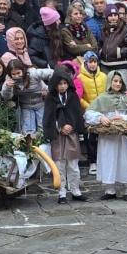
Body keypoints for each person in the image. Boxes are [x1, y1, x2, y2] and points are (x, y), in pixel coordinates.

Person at [85, 72, 127, 200]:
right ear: (110, 82)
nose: (118, 84)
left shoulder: (126, 98)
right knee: (109, 158)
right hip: (108, 136)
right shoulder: (102, 98)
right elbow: (88, 113)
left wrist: (122, 117)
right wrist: (100, 117)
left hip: (122, 136)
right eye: (115, 81)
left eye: (120, 82)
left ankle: (126, 189)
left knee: (124, 159)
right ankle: (110, 189)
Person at [42, 69, 85, 203]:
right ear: (55, 85)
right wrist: (59, 127)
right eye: (59, 83)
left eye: (65, 83)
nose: (62, 86)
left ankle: (75, 190)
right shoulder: (51, 98)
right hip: (58, 136)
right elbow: (48, 117)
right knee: (59, 164)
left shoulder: (72, 97)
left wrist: (71, 125)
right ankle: (62, 192)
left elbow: (77, 114)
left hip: (71, 135)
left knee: (73, 164)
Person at [1, 59, 50, 134]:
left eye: (18, 73)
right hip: (26, 107)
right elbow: (6, 96)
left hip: (40, 103)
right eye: (14, 74)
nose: (16, 76)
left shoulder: (32, 73)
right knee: (28, 131)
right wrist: (7, 87)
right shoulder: (9, 80)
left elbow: (52, 73)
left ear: (23, 70)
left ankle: (45, 143)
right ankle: (30, 144)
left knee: (43, 127)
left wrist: (50, 89)